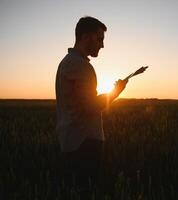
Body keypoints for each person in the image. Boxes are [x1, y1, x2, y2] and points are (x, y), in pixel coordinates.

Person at [55, 16, 127, 196]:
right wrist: (116, 92)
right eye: (99, 38)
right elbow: (90, 106)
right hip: (84, 143)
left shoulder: (66, 62)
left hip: (71, 140)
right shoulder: (80, 66)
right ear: (86, 37)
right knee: (86, 191)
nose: (102, 45)